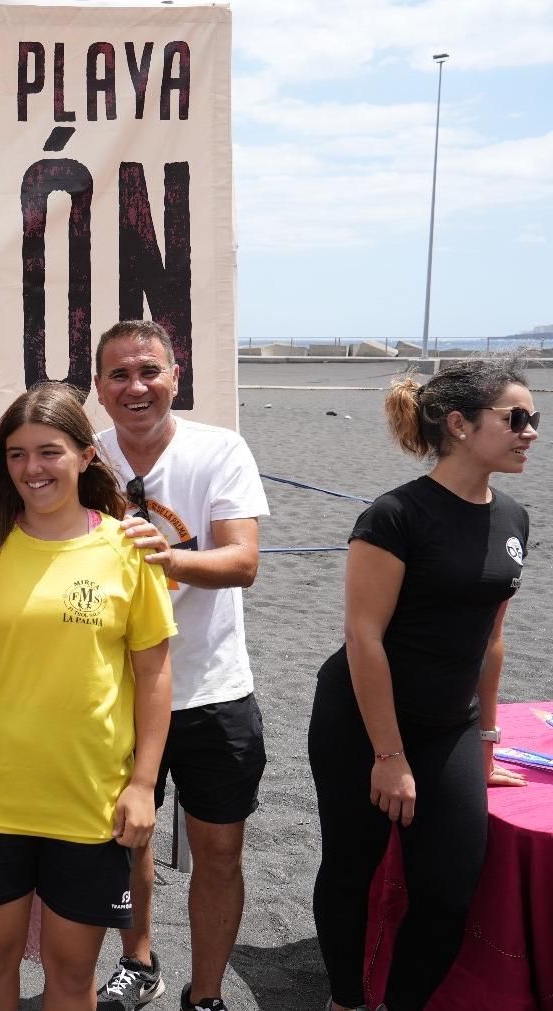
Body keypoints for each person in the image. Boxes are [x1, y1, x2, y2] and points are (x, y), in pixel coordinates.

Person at [0, 381, 176, 1011]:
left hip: (88, 802)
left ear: (86, 456)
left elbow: (156, 674)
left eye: (49, 451)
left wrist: (143, 784)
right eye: (17, 453)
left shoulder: (126, 548)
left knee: (70, 972)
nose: (33, 468)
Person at [309, 360, 535, 1011]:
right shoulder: (396, 516)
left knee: (448, 889)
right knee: (352, 867)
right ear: (460, 425)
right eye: (516, 419)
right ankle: (348, 1000)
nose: (531, 433)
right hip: (360, 719)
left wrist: (487, 741)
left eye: (534, 419)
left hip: (449, 726)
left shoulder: (514, 518)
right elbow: (364, 638)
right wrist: (388, 754)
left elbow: (491, 639)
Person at [88, 320, 270, 1011]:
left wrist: (169, 558)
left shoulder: (219, 449)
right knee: (128, 837)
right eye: (119, 375)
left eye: (149, 371)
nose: (136, 387)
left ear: (175, 375)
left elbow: (243, 560)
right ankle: (138, 961)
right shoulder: (85, 458)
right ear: (98, 387)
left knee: (219, 852)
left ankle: (210, 991)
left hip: (214, 687)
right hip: (119, 691)